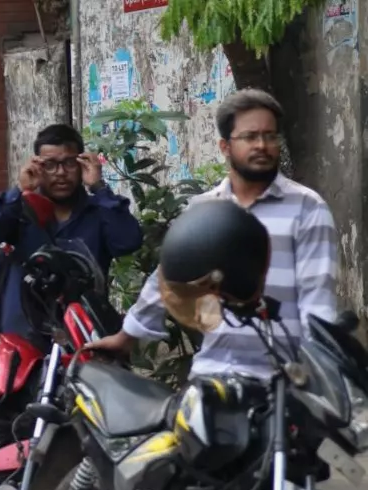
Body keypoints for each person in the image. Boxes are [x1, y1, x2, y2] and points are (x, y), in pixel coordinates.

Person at [87, 89, 337, 380]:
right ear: (225, 146)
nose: (262, 145)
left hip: (281, 383)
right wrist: (125, 337)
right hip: (212, 374)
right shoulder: (203, 209)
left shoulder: (306, 208)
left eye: (270, 136)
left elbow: (317, 302)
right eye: (250, 136)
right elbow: (167, 279)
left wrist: (317, 377)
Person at [0, 123, 142, 343]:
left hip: (83, 337)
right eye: (50, 165)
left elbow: (129, 242)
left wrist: (99, 188)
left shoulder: (99, 212)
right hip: (22, 337)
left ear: (81, 164)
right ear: (38, 166)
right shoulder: (17, 210)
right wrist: (19, 191)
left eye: (69, 163)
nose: (61, 173)